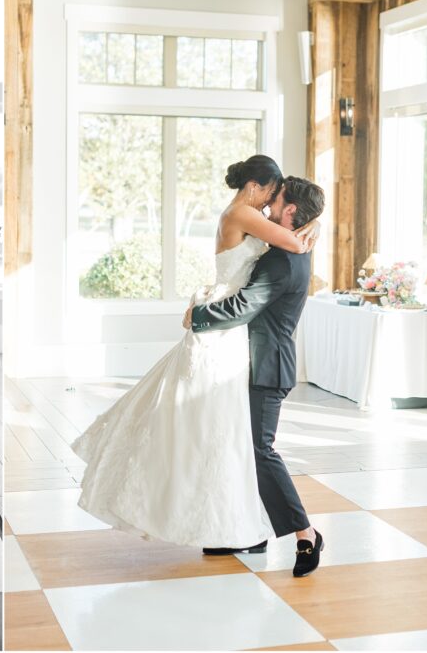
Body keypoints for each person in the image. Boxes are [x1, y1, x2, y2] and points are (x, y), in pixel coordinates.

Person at [72, 156, 319, 554]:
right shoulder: (246, 215)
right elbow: (292, 240)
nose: (268, 207)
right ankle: (236, 527)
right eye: (269, 196)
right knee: (216, 435)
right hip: (227, 330)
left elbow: (283, 253)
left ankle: (249, 527)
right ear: (255, 187)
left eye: (276, 201)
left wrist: (313, 224)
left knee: (231, 438)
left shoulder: (270, 238)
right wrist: (311, 229)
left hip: (238, 334)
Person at [187, 175, 327, 578]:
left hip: (267, 365)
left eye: (274, 202)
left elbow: (245, 306)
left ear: (291, 211)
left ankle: (306, 533)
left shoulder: (284, 258)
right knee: (242, 450)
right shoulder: (292, 244)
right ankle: (248, 532)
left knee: (259, 450)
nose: (265, 210)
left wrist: (196, 315)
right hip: (249, 361)